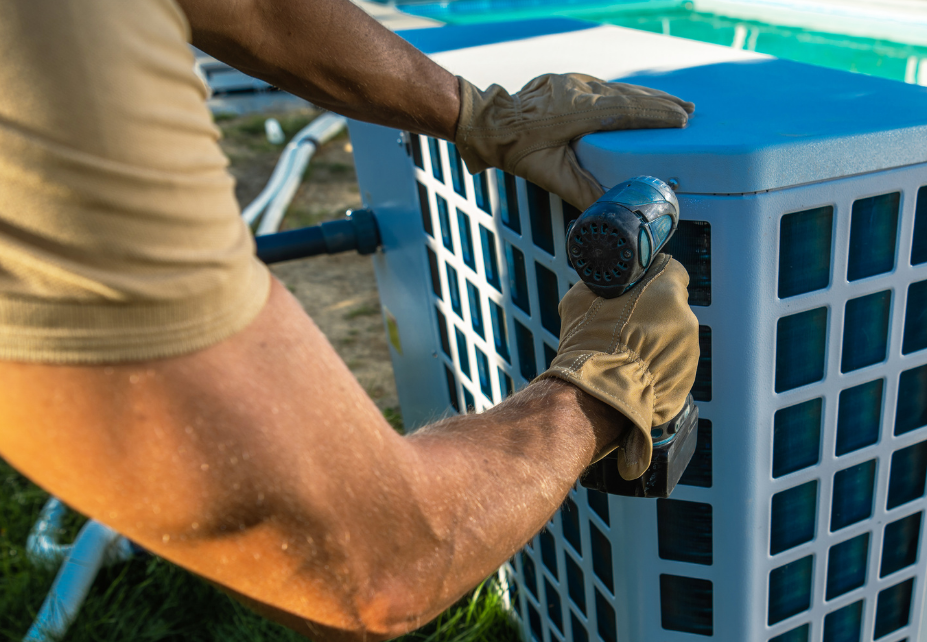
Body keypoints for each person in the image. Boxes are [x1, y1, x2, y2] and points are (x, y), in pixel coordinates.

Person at [0, 0, 699, 639]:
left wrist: (483, 115)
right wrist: (607, 385)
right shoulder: (50, 65)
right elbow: (373, 568)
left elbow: (256, 10)